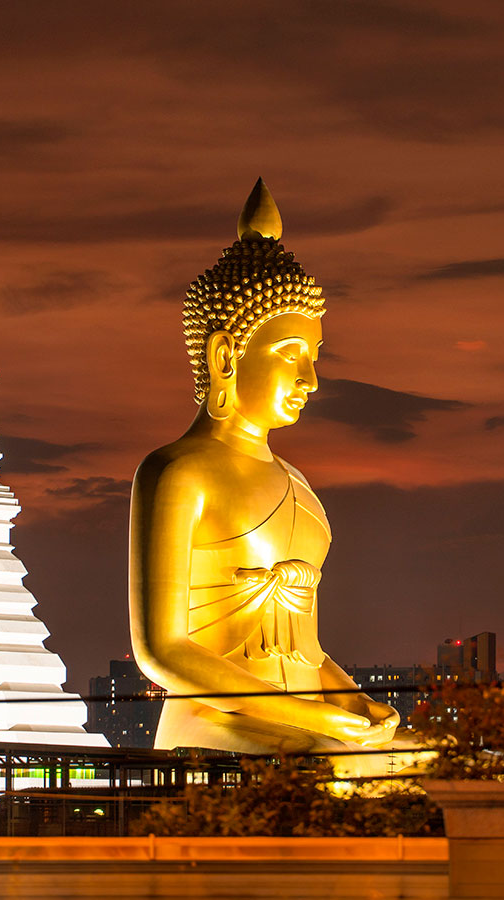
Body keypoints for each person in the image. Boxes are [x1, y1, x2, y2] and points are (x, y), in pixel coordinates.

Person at [129, 180, 400, 759]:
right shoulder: (177, 471)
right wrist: (314, 720)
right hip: (214, 725)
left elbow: (304, 648)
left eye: (315, 357)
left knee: (468, 767)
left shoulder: (298, 484)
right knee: (335, 773)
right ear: (225, 355)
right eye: (289, 355)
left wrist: (353, 703)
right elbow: (162, 650)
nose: (310, 379)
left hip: (308, 723)